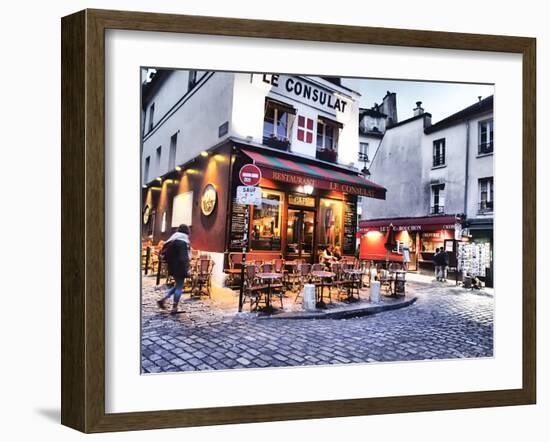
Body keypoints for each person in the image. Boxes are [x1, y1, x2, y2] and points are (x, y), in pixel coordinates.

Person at [157, 224, 191, 314]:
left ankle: (163, 300)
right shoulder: (183, 241)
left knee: (178, 285)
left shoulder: (173, 238)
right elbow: (184, 257)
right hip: (180, 267)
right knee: (179, 287)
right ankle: (174, 308)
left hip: (172, 266)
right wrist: (187, 268)